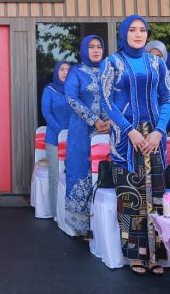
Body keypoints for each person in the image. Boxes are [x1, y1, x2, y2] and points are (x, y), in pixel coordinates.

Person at [100, 14, 170, 276]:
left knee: (156, 199)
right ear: (123, 34)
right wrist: (129, 131)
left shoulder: (156, 63)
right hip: (125, 140)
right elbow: (106, 102)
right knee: (132, 198)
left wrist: (159, 132)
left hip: (154, 140)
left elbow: (166, 98)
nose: (139, 34)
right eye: (133, 30)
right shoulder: (112, 63)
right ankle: (135, 255)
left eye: (143, 30)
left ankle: (156, 254)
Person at [63, 35, 107, 236]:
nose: (96, 50)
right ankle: (82, 226)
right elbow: (71, 98)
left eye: (99, 46)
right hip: (82, 131)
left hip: (108, 130)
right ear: (84, 49)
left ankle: (104, 222)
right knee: (83, 170)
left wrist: (111, 121)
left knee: (105, 172)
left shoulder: (109, 71)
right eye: (91, 47)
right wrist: (93, 120)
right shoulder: (77, 72)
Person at [41, 61, 71, 220]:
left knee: (71, 175)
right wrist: (61, 131)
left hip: (73, 140)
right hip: (54, 139)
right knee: (55, 175)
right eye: (62, 69)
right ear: (56, 72)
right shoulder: (49, 90)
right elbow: (46, 112)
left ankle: (69, 211)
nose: (65, 72)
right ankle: (55, 212)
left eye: (68, 70)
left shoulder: (74, 90)